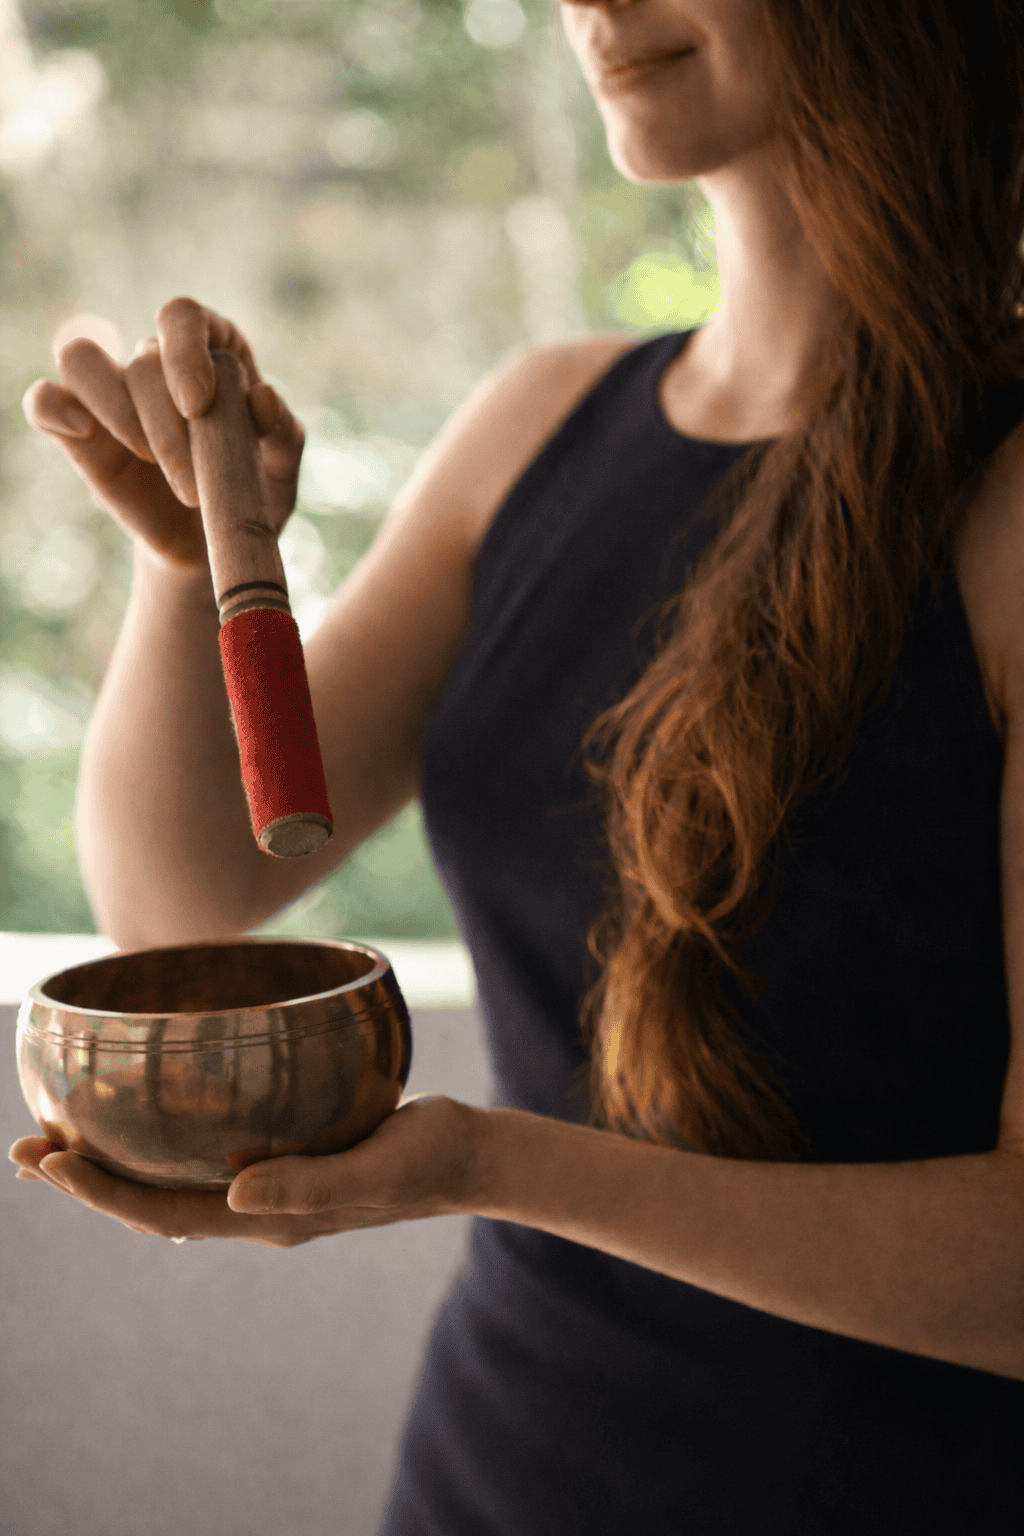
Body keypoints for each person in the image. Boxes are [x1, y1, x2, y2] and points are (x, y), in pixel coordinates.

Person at [11, 0, 1024, 1529]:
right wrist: (193, 557)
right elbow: (177, 896)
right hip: (494, 1477)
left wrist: (488, 1165)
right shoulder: (538, 424)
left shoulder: (1007, 504)